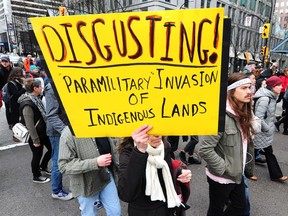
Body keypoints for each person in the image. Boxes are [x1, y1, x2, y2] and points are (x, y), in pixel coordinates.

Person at [199, 73, 255, 215]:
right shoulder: (220, 116)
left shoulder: (243, 112)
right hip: (221, 177)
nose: (249, 92)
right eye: (244, 88)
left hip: (237, 174)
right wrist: (224, 168)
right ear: (231, 91)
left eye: (250, 87)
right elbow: (204, 149)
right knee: (216, 210)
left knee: (240, 206)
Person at [117, 125, 192, 216]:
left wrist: (179, 173)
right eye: (149, 131)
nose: (158, 135)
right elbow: (126, 194)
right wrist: (140, 151)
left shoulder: (164, 146)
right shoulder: (128, 152)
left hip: (167, 207)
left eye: (158, 128)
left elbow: (166, 173)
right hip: (144, 211)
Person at [58, 126, 121, 215]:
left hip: (106, 176)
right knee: (90, 213)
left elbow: (113, 142)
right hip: (86, 185)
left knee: (115, 212)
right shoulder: (68, 133)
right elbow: (64, 166)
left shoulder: (101, 123)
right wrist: (95, 162)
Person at [253, 76, 288, 182]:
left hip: (263, 131)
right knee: (267, 152)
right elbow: (259, 117)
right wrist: (267, 128)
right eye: (279, 85)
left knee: (252, 150)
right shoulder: (265, 98)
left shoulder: (271, 96)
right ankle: (276, 175)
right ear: (273, 86)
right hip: (262, 131)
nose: (282, 87)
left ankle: (249, 168)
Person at [18, 78, 52, 183]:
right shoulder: (27, 103)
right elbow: (30, 125)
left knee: (52, 149)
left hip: (43, 132)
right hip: (36, 135)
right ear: (35, 88)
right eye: (40, 86)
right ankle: (36, 176)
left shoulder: (36, 99)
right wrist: (35, 140)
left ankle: (43, 166)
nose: (42, 88)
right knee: (37, 155)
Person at [45, 82, 73, 201]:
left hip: (65, 128)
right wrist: (65, 131)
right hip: (58, 132)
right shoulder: (52, 87)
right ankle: (56, 191)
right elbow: (51, 115)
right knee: (58, 160)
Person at [6, 67, 26, 141]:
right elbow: (16, 94)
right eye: (22, 72)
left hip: (20, 103)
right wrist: (24, 88)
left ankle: (21, 134)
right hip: (14, 104)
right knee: (15, 120)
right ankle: (16, 136)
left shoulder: (20, 81)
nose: (24, 73)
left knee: (22, 119)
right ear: (18, 73)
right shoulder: (11, 83)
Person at [0, 55, 13, 129]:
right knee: (8, 107)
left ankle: (15, 121)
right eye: (3, 61)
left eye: (6, 61)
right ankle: (10, 123)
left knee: (14, 106)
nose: (4, 63)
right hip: (5, 92)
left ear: (9, 62)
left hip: (13, 91)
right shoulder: (0, 71)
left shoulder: (12, 70)